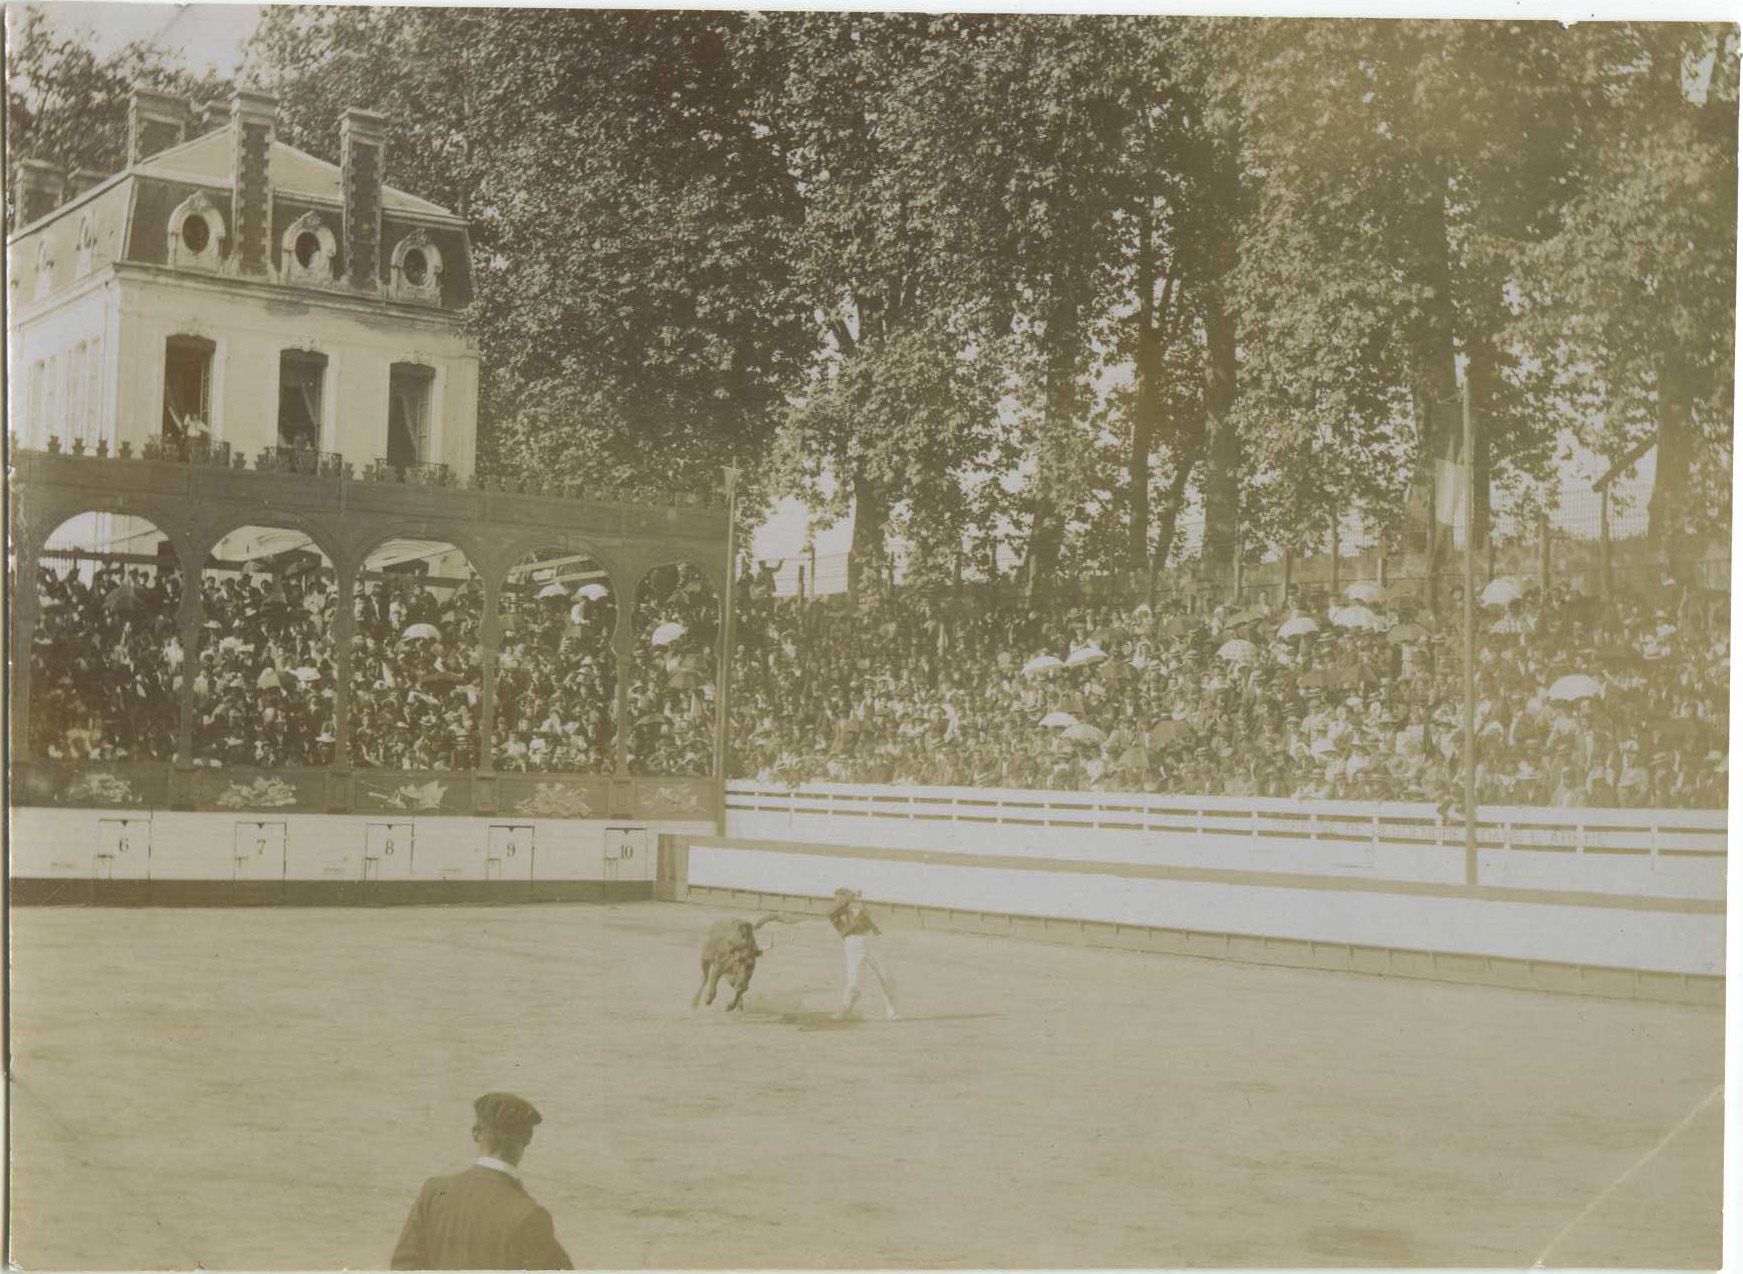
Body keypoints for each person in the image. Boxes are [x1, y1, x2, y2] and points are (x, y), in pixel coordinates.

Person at [391, 1093, 572, 1270]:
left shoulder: (433, 1192)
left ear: (476, 1133)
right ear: (528, 1138)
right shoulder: (530, 1215)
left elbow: (402, 1266)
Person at [827, 887, 898, 1021]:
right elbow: (837, 909)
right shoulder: (833, 913)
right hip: (853, 943)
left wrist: (879, 937)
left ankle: (892, 1012)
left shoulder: (857, 910)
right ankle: (846, 1009)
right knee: (854, 980)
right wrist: (852, 897)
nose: (840, 900)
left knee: (886, 976)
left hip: (870, 941)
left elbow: (873, 928)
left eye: (842, 896)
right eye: (839, 897)